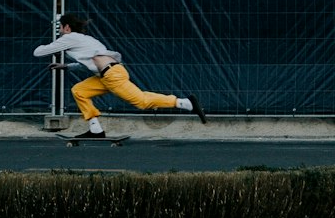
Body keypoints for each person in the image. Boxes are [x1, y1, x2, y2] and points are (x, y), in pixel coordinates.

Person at [33, 11, 207, 138]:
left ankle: (185, 103)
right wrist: (66, 66)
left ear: (67, 27)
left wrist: (52, 45)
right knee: (80, 90)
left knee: (142, 101)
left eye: (60, 28)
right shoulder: (86, 40)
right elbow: (90, 62)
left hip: (112, 76)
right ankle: (95, 130)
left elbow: (38, 52)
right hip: (107, 74)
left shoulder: (68, 38)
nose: (60, 31)